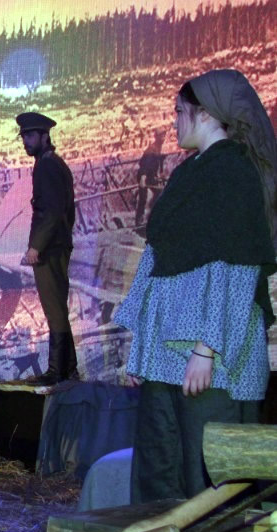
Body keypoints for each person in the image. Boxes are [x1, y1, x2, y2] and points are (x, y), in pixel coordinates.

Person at [114, 69, 277, 503]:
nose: (174, 122)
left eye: (179, 112)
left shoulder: (235, 172)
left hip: (210, 359)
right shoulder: (188, 172)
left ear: (204, 114)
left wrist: (207, 349)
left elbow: (237, 265)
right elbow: (157, 257)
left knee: (208, 480)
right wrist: (142, 348)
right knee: (160, 470)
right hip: (165, 354)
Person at [16, 112, 78, 385]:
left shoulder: (48, 166)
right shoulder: (50, 163)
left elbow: (52, 212)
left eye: (30, 136)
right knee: (57, 309)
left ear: (45, 136)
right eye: (24, 137)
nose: (26, 142)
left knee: (54, 310)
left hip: (50, 248)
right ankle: (68, 369)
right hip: (56, 245)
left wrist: (36, 247)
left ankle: (56, 371)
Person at [134, 129, 166, 229]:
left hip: (151, 176)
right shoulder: (151, 150)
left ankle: (152, 214)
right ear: (156, 137)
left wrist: (159, 174)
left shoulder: (158, 148)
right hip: (144, 176)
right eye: (161, 136)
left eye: (164, 136)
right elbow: (144, 164)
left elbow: (157, 163)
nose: (163, 138)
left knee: (159, 193)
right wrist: (143, 178)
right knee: (143, 198)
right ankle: (139, 220)